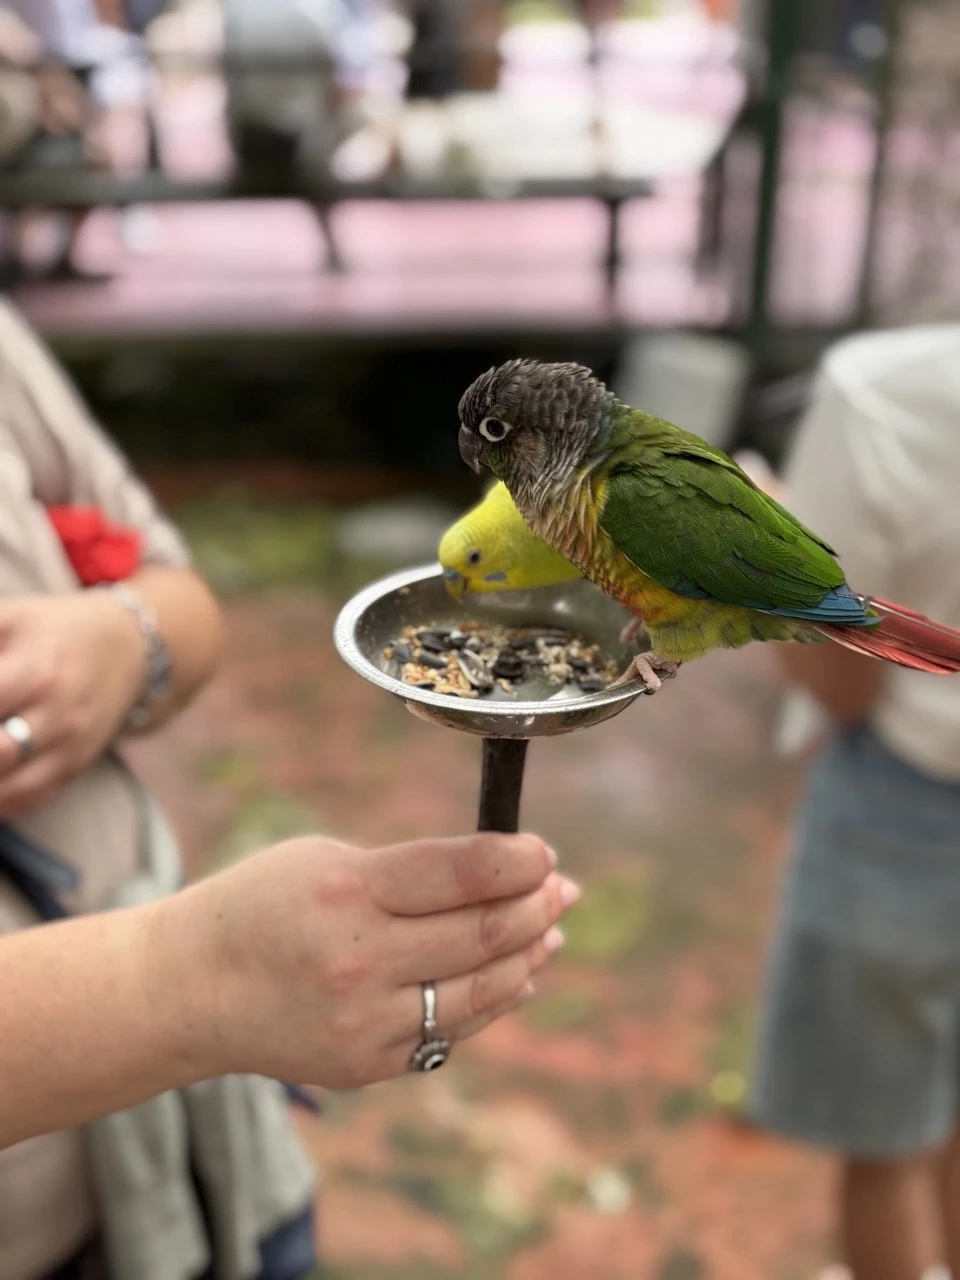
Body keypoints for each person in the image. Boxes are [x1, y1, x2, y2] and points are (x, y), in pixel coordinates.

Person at [0, 296, 576, 1280]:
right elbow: (192, 980)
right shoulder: (196, 981)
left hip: (199, 1166)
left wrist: (125, 638)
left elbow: (176, 592)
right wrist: (188, 982)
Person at [748, 323, 960, 1280]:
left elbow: (842, 686)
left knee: (887, 1146)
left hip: (907, 808)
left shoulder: (881, 395)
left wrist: (773, 546)